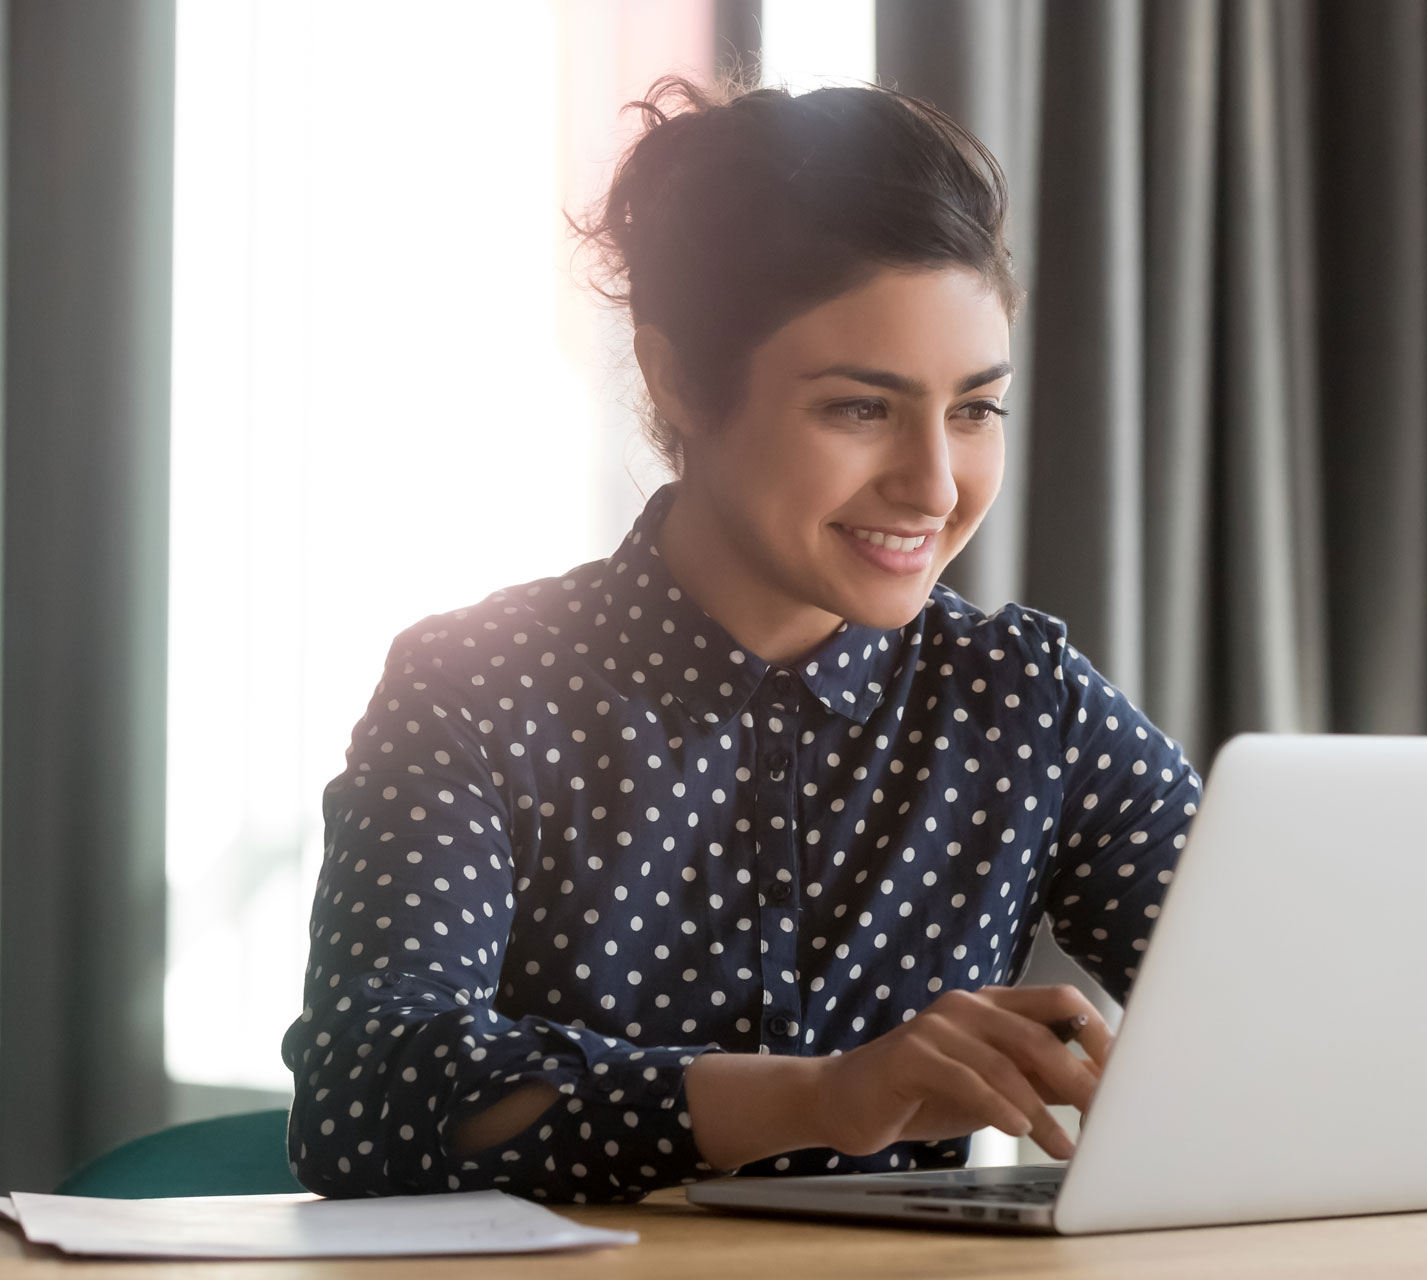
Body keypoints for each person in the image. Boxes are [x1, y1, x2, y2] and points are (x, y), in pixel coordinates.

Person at [281, 75, 1202, 1204]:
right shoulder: (477, 685)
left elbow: (1290, 1004)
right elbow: (368, 1098)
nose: (934, 484)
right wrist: (823, 1096)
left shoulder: (1023, 701)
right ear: (679, 379)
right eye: (859, 408)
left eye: (974, 409)